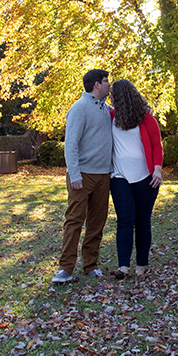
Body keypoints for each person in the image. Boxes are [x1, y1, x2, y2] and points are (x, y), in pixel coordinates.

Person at [54, 69, 113, 283]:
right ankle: (66, 269)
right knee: (74, 221)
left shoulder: (107, 109)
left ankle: (91, 265)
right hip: (82, 176)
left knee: (97, 223)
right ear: (97, 84)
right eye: (107, 81)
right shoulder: (79, 108)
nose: (109, 85)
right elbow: (70, 144)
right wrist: (75, 174)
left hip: (103, 175)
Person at [108, 79, 162, 280]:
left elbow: (157, 145)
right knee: (124, 221)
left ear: (122, 97)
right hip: (119, 177)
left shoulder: (146, 119)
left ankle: (141, 265)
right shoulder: (111, 117)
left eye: (113, 94)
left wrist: (157, 170)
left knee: (142, 221)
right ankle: (123, 266)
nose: (110, 97)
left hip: (145, 177)